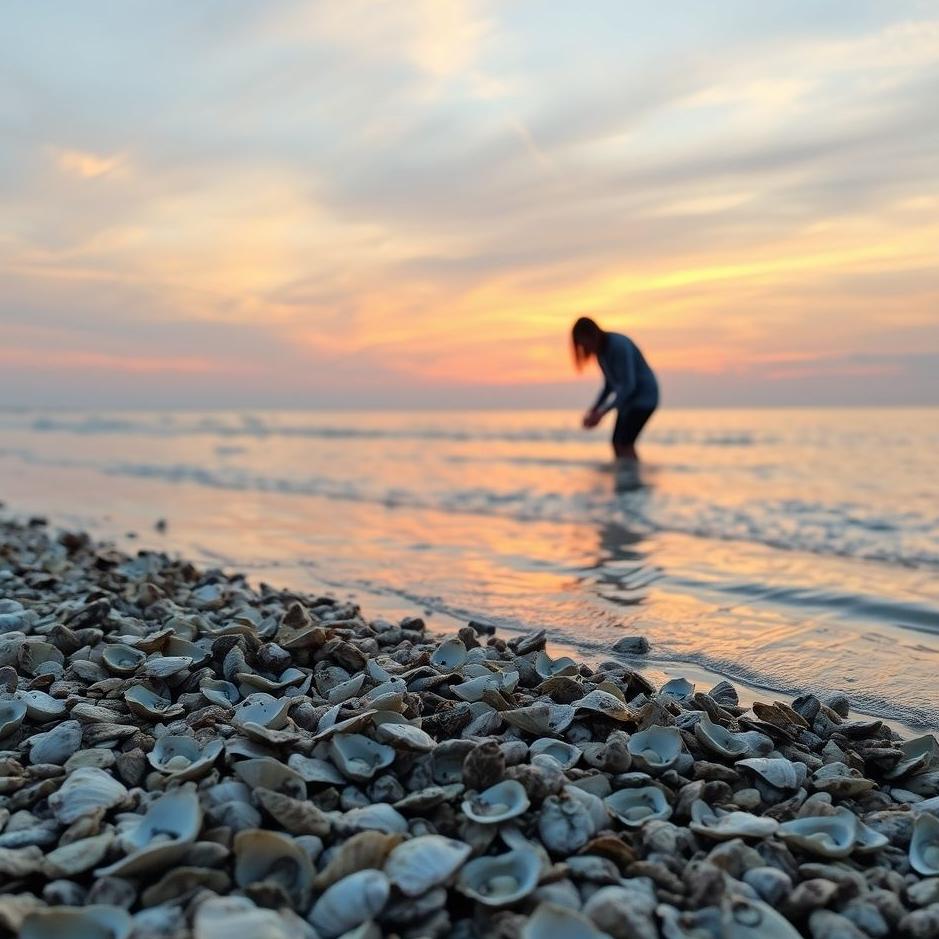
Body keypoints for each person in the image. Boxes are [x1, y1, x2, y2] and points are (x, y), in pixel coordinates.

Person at [572, 316, 659, 460]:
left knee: (624, 443)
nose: (584, 348)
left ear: (592, 335)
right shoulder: (601, 353)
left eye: (584, 343)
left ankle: (633, 478)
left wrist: (602, 412)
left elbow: (628, 385)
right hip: (627, 402)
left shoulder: (618, 345)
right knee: (617, 443)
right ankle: (627, 478)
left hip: (644, 399)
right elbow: (609, 385)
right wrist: (595, 409)